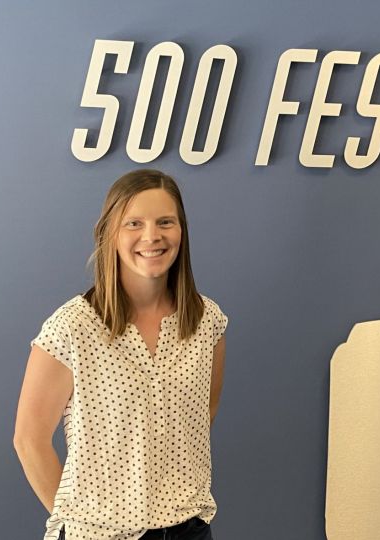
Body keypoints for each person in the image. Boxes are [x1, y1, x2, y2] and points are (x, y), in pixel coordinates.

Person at [13, 169, 227, 540]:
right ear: (110, 232)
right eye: (134, 223)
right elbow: (29, 440)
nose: (152, 236)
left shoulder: (207, 321)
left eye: (165, 222)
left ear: (182, 231)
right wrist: (82, 520)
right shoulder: (72, 327)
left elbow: (200, 415)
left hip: (188, 529)